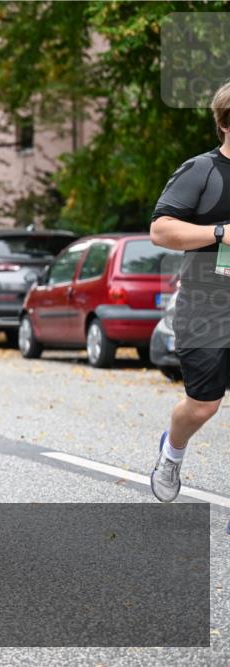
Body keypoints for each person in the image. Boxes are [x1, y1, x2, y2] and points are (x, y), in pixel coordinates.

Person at [148, 81, 230, 508]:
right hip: (206, 306)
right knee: (203, 406)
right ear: (224, 121)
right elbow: (161, 230)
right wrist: (220, 232)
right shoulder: (202, 170)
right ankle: (172, 453)